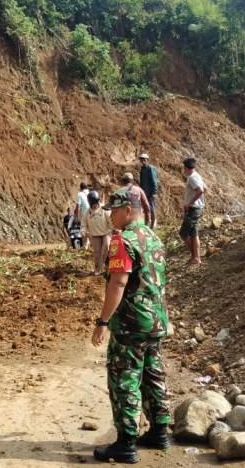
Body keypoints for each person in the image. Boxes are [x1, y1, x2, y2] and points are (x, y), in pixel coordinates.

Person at [91, 188, 171, 464]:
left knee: (124, 378)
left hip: (131, 323)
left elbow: (119, 283)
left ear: (127, 210)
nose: (110, 215)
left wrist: (102, 322)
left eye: (114, 210)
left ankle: (126, 442)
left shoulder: (122, 241)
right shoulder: (152, 237)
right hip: (155, 320)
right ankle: (160, 431)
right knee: (152, 373)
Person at [180, 157, 207, 265]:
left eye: (184, 168)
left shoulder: (192, 177)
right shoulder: (197, 176)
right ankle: (196, 257)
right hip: (197, 208)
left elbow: (200, 190)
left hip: (193, 209)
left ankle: (195, 256)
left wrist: (190, 203)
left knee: (183, 233)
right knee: (193, 233)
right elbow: (205, 188)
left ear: (186, 168)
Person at [82, 191, 112, 275]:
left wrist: (114, 229)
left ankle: (105, 266)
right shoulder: (87, 213)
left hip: (106, 232)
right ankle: (98, 269)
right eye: (93, 203)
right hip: (95, 235)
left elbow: (111, 221)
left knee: (106, 246)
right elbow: (83, 224)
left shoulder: (104, 210)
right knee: (97, 252)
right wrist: (83, 231)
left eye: (96, 202)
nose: (95, 205)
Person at [138, 154, 158, 228]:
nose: (142, 161)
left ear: (147, 160)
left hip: (151, 192)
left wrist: (154, 192)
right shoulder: (142, 169)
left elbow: (154, 181)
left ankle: (153, 223)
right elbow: (141, 181)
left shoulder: (151, 168)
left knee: (152, 208)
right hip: (144, 192)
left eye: (144, 159)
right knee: (146, 208)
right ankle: (146, 223)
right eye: (141, 159)